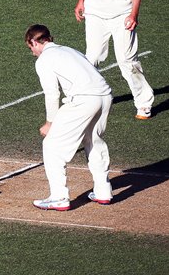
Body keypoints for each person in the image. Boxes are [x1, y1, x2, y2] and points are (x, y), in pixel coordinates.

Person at [25, 24, 113, 211]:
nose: (32, 53)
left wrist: (50, 123)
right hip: (105, 96)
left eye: (30, 47)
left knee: (52, 146)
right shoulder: (70, 51)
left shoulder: (44, 59)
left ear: (34, 41)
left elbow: (52, 94)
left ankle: (59, 197)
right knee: (93, 141)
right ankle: (103, 191)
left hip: (83, 100)